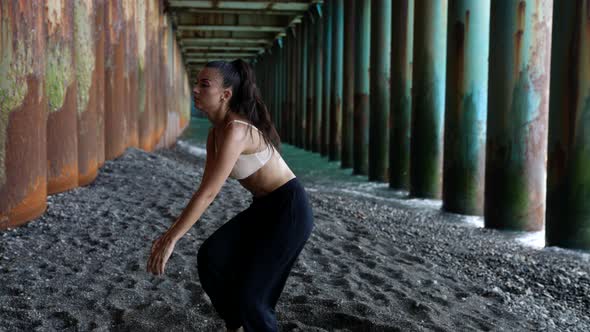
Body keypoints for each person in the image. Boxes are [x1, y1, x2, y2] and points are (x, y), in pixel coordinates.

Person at [146, 59, 314, 332]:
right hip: (264, 208)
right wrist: (170, 235)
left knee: (253, 298)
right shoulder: (215, 134)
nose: (196, 89)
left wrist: (172, 237)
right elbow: (205, 189)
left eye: (204, 84)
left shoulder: (237, 131)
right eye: (196, 83)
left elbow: (210, 193)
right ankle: (235, 325)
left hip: (289, 210)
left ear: (226, 94)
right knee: (211, 257)